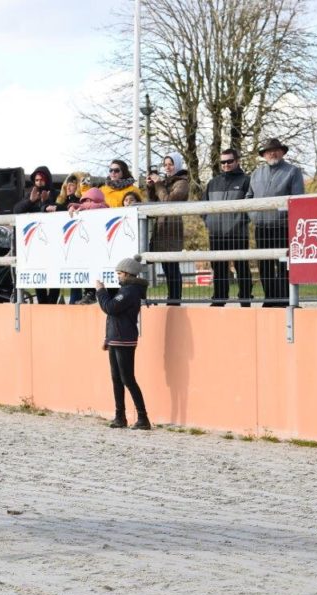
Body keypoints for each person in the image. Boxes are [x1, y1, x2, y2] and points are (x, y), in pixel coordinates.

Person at [95, 255, 151, 430]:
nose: (118, 277)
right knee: (116, 379)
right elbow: (113, 316)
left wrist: (100, 291)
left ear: (127, 274)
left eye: (119, 274)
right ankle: (120, 416)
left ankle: (143, 418)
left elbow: (110, 308)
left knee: (128, 379)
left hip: (124, 339)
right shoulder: (124, 290)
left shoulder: (129, 292)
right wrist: (107, 339)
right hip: (115, 339)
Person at [246, 137, 304, 308]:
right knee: (264, 265)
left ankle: (284, 299)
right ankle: (270, 299)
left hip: (283, 227)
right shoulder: (256, 173)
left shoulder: (293, 172)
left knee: (284, 265)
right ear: (264, 155)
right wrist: (254, 215)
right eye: (268, 151)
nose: (272, 153)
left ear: (282, 152)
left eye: (276, 150)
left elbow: (297, 199)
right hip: (261, 227)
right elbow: (249, 197)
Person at [202, 148, 252, 307]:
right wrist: (210, 222)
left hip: (238, 233)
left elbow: (252, 205)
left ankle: (245, 298)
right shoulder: (212, 183)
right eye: (223, 162)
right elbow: (203, 207)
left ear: (237, 161)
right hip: (216, 233)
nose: (226, 164)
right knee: (218, 268)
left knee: (241, 267)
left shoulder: (246, 180)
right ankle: (219, 298)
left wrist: (240, 221)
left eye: (230, 161)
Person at [145, 152, 190, 305]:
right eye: (165, 165)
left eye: (170, 164)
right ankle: (172, 298)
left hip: (172, 230)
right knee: (166, 266)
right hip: (161, 229)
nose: (167, 167)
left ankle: (175, 299)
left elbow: (168, 201)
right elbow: (152, 201)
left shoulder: (182, 183)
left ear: (177, 164)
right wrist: (151, 187)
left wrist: (158, 184)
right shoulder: (165, 183)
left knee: (172, 266)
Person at [14, 166, 59, 303]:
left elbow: (59, 210)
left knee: (54, 274)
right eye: (36, 180)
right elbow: (17, 210)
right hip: (36, 244)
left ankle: (52, 303)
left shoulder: (56, 194)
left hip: (53, 243)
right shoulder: (31, 194)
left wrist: (46, 202)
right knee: (39, 274)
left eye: (42, 179)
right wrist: (30, 201)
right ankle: (42, 304)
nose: (39, 182)